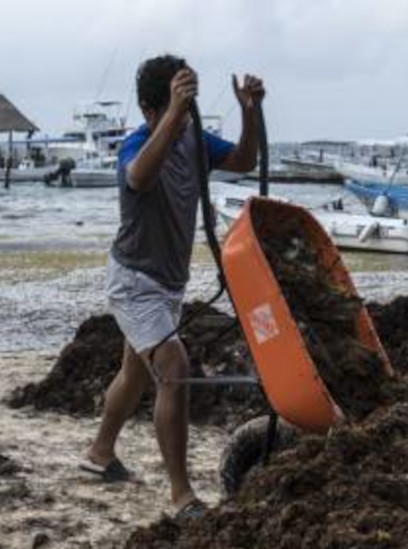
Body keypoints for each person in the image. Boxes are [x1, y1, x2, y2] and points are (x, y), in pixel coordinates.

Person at [81, 56, 266, 519]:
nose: (182, 116)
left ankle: (99, 453)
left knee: (135, 372)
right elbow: (139, 177)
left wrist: (250, 110)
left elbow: (245, 160)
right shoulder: (137, 143)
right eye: (171, 107)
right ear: (148, 109)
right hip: (133, 281)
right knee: (174, 365)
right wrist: (172, 116)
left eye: (186, 106)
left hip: (167, 282)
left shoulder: (193, 138)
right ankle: (182, 495)